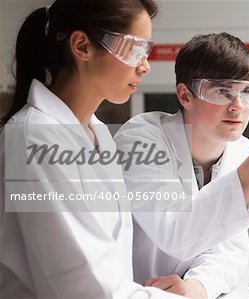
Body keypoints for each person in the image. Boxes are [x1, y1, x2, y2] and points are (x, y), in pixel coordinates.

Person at [114, 33, 249, 298]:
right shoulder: (141, 140)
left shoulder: (245, 151)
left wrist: (198, 287)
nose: (237, 106)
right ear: (185, 96)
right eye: (223, 91)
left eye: (247, 91)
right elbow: (175, 233)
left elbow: (228, 251)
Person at [0, 0, 184, 298]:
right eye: (135, 49)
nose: (145, 65)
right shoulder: (35, 137)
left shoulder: (97, 133)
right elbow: (86, 287)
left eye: (147, 51)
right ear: (82, 46)